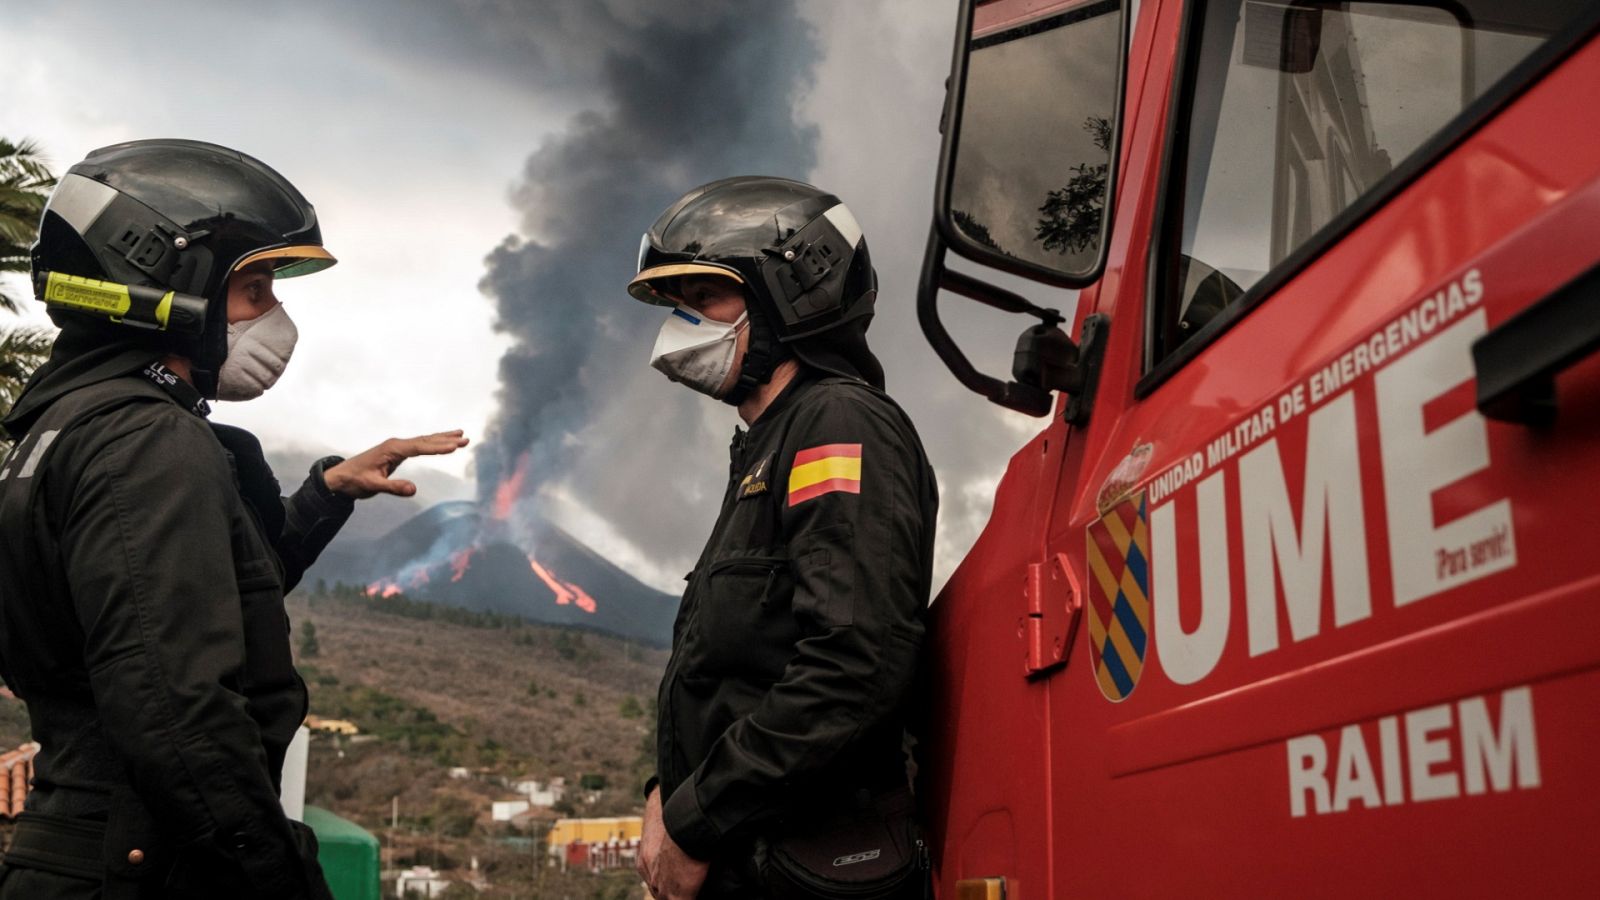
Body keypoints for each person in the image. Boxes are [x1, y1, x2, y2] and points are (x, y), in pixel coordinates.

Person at [0, 139, 466, 899]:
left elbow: (190, 595)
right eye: (254, 288)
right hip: (143, 867)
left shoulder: (66, 428)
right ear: (168, 285)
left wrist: (325, 495)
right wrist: (278, 878)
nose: (276, 315)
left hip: (82, 848)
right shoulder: (147, 442)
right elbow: (178, 712)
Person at [629, 177, 939, 899]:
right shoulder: (765, 450)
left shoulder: (839, 423)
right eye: (677, 303)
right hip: (750, 862)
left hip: (806, 871)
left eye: (705, 296)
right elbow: (738, 672)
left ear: (792, 293)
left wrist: (697, 820)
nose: (682, 322)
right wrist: (665, 796)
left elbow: (854, 664)